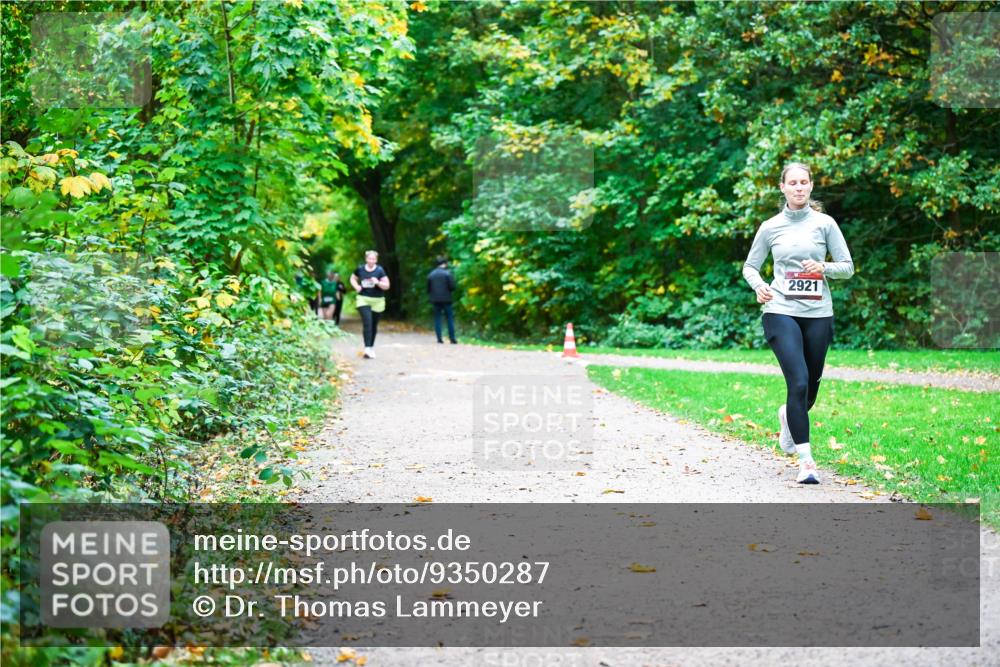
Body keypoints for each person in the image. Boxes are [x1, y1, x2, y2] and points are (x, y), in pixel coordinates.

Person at [742, 162, 854, 484]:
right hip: (780, 309)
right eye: (793, 183)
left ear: (811, 186)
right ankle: (806, 462)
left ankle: (787, 419)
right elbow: (750, 266)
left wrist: (823, 268)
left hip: (818, 312)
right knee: (799, 381)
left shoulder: (825, 224)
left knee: (810, 393)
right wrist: (760, 286)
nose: (799, 187)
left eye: (804, 182)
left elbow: (847, 267)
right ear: (783, 188)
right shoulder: (770, 227)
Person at [350, 250, 390, 359]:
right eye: (369, 259)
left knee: (374, 324)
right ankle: (367, 349)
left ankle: (371, 347)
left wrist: (378, 282)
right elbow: (353, 278)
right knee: (367, 322)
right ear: (366, 259)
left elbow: (387, 286)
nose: (371, 261)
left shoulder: (380, 270)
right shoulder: (360, 269)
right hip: (363, 299)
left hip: (377, 300)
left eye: (373, 259)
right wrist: (356, 286)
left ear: (376, 260)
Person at [427, 256, 458, 344]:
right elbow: (452, 287)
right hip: (446, 299)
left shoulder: (431, 274)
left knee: (437, 318)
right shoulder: (447, 274)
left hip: (435, 299)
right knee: (449, 318)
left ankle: (439, 338)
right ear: (445, 263)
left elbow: (428, 289)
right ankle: (452, 338)